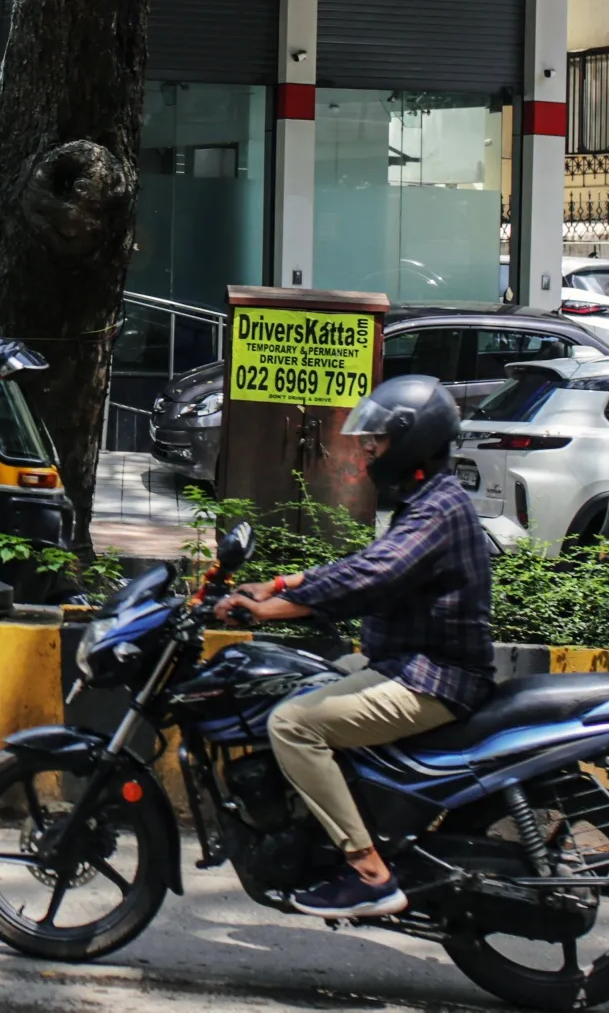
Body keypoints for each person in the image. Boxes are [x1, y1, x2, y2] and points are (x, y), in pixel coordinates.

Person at [216, 374, 492, 921]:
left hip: (432, 678)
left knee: (294, 723)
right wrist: (286, 583)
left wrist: (276, 607)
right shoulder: (427, 500)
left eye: (378, 439)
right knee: (302, 677)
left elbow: (376, 575)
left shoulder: (436, 509)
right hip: (406, 663)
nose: (367, 448)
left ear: (413, 440)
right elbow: (368, 564)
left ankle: (369, 873)